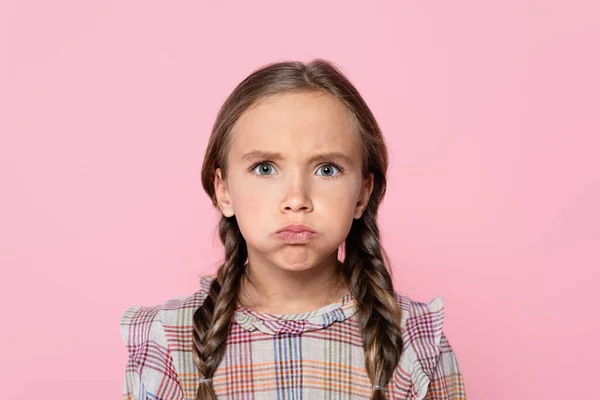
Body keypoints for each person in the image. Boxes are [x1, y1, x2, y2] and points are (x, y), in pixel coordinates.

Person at [120, 59, 467, 399]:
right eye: (265, 168)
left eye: (327, 169)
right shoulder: (169, 340)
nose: (296, 199)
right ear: (223, 190)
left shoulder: (417, 344)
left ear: (363, 193)